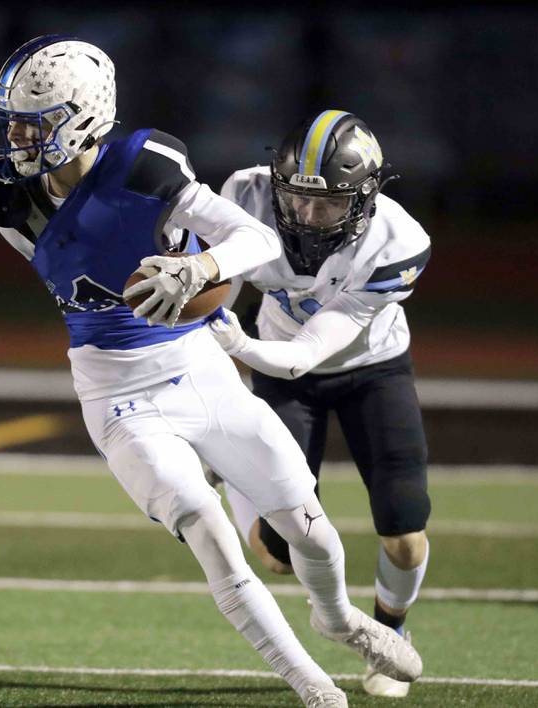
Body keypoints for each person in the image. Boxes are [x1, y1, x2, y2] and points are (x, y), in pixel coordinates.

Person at [0, 40, 421, 707]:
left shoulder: (144, 164)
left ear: (85, 115)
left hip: (198, 364)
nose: (17, 138)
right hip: (115, 393)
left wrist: (197, 269)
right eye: (15, 123)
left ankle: (340, 618)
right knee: (211, 530)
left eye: (35, 122)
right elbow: (65, 245)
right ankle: (313, 687)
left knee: (310, 529)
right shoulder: (2, 196)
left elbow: (256, 241)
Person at [209, 110, 432, 699]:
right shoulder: (246, 193)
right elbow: (217, 294)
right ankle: (235, 474)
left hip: (367, 370)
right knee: (278, 553)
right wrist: (215, 383)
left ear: (365, 198)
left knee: (404, 525)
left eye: (329, 204)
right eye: (298, 200)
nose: (308, 217)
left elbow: (308, 350)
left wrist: (234, 342)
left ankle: (390, 636)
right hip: (280, 374)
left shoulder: (399, 242)